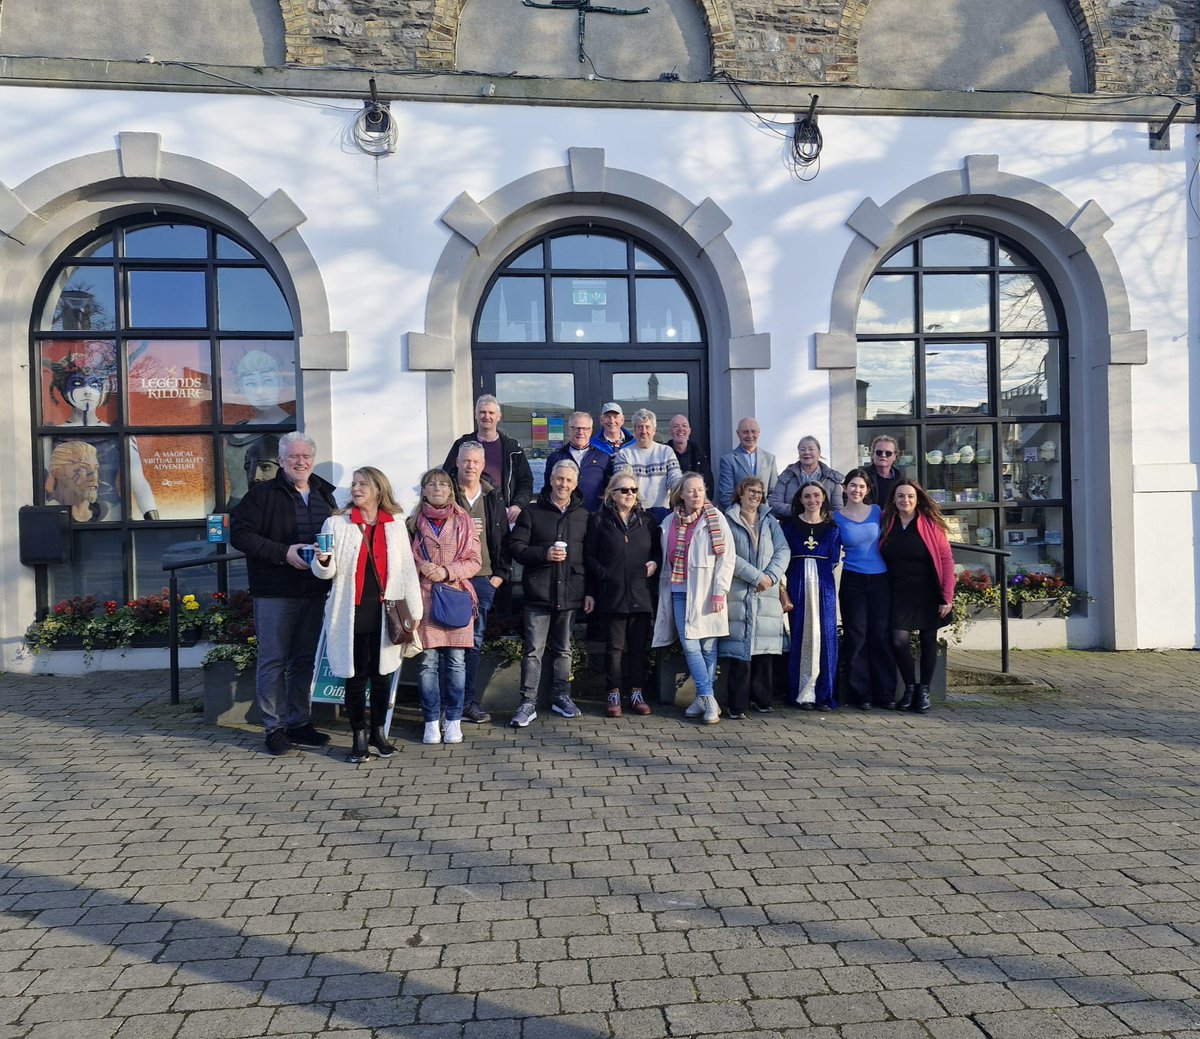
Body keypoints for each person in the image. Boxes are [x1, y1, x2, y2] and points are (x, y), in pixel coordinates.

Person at [231, 431, 338, 756]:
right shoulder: (262, 495)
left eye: (305, 456)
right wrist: (283, 552)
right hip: (276, 591)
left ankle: (299, 722)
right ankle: (274, 728)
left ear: (312, 459)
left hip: (314, 590)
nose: (300, 461)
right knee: (273, 660)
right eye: (293, 456)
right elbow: (240, 535)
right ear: (281, 460)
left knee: (304, 660)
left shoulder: (324, 494)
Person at [312, 467, 423, 763]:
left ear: (378, 489)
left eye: (363, 484)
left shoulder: (395, 523)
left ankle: (378, 732)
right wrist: (321, 560)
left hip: (386, 611)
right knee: (357, 676)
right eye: (354, 484)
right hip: (353, 611)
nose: (356, 489)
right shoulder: (337, 523)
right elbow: (327, 571)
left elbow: (406, 570)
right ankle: (358, 736)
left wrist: (415, 611)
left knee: (383, 675)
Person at [508, 459, 590, 727]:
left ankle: (561, 697)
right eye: (559, 479)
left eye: (568, 480)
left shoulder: (583, 516)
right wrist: (544, 554)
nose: (563, 484)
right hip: (538, 593)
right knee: (533, 651)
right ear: (550, 480)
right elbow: (516, 548)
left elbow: (590, 557)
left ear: (575, 484)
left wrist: (589, 592)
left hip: (570, 594)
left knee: (564, 649)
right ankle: (527, 703)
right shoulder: (531, 513)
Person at [651, 472, 735, 725]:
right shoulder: (670, 522)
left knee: (708, 646)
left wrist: (720, 590)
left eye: (700, 490)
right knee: (689, 644)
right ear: (682, 495)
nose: (697, 495)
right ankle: (709, 697)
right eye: (691, 491)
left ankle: (702, 698)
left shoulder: (715, 518)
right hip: (679, 590)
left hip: (708, 591)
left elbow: (727, 557)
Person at [409, 468, 482, 745]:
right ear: (424, 490)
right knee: (427, 663)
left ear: (451, 490)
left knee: (456, 662)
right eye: (431, 484)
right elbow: (404, 559)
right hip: (424, 597)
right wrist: (421, 566)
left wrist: (447, 571)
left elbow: (474, 561)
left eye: (443, 484)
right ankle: (430, 721)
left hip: (455, 598)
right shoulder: (413, 522)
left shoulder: (464, 521)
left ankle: (452, 720)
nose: (438, 488)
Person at [584, 473, 660, 718]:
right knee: (615, 647)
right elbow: (589, 556)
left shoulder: (648, 521)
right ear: (612, 494)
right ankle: (613, 692)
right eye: (624, 490)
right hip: (613, 593)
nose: (630, 494)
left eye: (633, 490)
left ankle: (637, 692)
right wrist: (604, 575)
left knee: (638, 647)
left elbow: (659, 553)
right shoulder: (598, 520)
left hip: (641, 593)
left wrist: (655, 564)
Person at [49, 355, 159, 519]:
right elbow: (45, 480)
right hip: (66, 512)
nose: (87, 391)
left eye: (94, 385)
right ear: (64, 390)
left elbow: (138, 481)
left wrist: (153, 519)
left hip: (111, 514)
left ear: (103, 391)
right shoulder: (52, 434)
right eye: (78, 384)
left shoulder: (120, 432)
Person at [878, 479, 956, 714]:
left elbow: (946, 560)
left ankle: (924, 692)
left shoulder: (930, 524)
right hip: (898, 591)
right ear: (894, 499)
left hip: (928, 590)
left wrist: (947, 596)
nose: (906, 500)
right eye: (901, 496)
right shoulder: (886, 520)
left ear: (917, 498)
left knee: (928, 641)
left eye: (910, 496)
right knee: (898, 641)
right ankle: (910, 687)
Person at [719, 476, 790, 719]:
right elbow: (726, 554)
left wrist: (769, 576)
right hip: (739, 591)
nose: (755, 496)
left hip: (767, 592)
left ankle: (762, 700)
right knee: (740, 651)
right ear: (740, 493)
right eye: (751, 491)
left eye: (759, 492)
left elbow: (783, 550)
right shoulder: (727, 519)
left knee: (764, 651)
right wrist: (755, 576)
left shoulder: (770, 521)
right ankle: (737, 705)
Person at [452, 441, 511, 724]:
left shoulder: (492, 495)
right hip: (452, 581)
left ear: (483, 464)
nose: (470, 466)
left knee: (474, 644)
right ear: (458, 462)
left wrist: (499, 576)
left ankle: (468, 703)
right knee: (449, 646)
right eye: (465, 461)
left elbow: (504, 537)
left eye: (475, 461)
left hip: (485, 578)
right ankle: (449, 704)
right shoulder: (447, 493)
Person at [833, 468, 894, 710]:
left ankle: (886, 693)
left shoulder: (878, 512)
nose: (856, 490)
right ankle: (862, 694)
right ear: (845, 488)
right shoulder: (836, 517)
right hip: (853, 581)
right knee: (856, 636)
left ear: (867, 489)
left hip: (880, 579)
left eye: (861, 486)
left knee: (880, 635)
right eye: (852, 485)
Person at [782, 483, 842, 711]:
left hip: (823, 586)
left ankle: (824, 694)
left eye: (816, 495)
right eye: (807, 496)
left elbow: (834, 559)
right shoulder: (788, 526)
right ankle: (802, 693)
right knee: (801, 635)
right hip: (798, 582)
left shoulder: (832, 528)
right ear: (801, 499)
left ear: (824, 498)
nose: (812, 500)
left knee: (826, 636)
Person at [442, 394, 533, 524]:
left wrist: (518, 505)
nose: (487, 416)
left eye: (491, 412)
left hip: (503, 514)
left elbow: (526, 481)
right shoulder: (461, 445)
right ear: (475, 415)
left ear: (498, 416)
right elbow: (446, 478)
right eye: (482, 412)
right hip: (467, 513)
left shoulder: (513, 448)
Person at [612, 408, 682, 519]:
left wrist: (682, 490)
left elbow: (675, 477)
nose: (644, 431)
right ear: (634, 431)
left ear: (654, 430)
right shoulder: (624, 454)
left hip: (662, 513)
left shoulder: (666, 451)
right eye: (640, 427)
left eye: (647, 427)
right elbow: (622, 483)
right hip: (634, 513)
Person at [541, 411, 612, 511]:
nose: (581, 432)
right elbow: (548, 488)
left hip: (595, 516)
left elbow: (610, 490)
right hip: (565, 517)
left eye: (585, 428)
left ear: (591, 431)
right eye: (576, 428)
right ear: (569, 430)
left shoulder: (603, 457)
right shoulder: (556, 457)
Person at [770, 435, 845, 518]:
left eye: (811, 449)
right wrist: (800, 511)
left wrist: (816, 515)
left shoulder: (831, 478)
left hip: (823, 527)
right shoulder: (787, 476)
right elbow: (774, 503)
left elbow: (837, 509)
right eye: (802, 449)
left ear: (819, 452)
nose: (806, 452)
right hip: (791, 526)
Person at [717, 417, 778, 510]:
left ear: (759, 432)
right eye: (745, 432)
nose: (750, 435)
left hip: (764, 516)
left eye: (753, 431)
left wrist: (764, 512)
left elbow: (774, 492)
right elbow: (726, 495)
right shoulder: (728, 460)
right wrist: (742, 514)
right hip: (739, 517)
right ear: (738, 434)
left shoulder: (770, 458)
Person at [44, 441, 104, 522]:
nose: (94, 477)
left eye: (96, 468)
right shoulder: (48, 514)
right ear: (57, 472)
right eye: (83, 468)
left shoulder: (107, 514)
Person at [666, 415, 712, 498]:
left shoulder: (700, 455)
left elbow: (707, 484)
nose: (680, 429)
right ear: (669, 431)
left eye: (684, 426)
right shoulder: (663, 455)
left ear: (689, 431)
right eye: (676, 426)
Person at [867, 434, 904, 507]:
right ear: (872, 454)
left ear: (895, 456)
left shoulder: (901, 481)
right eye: (879, 452)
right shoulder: (863, 477)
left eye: (888, 453)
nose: (883, 455)